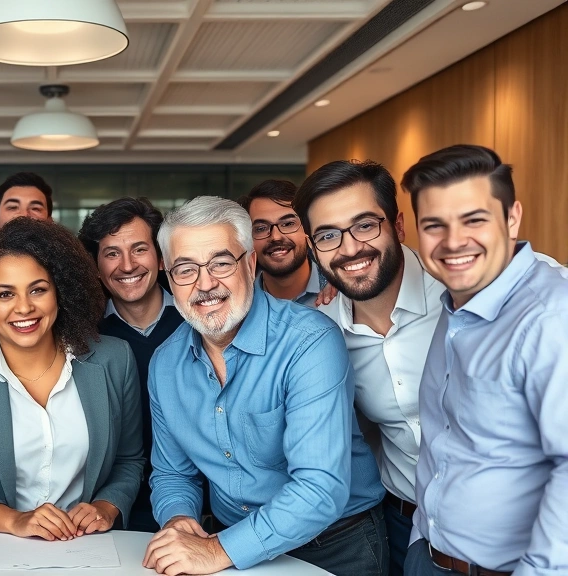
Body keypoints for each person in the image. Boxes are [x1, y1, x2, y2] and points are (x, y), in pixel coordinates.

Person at [143, 196, 387, 576]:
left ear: (250, 263)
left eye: (221, 263)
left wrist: (217, 550)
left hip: (336, 546)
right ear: (170, 278)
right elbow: (174, 473)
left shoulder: (310, 341)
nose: (205, 284)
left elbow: (319, 488)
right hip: (229, 545)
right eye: (186, 269)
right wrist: (179, 521)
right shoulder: (164, 364)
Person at [401, 145, 568, 576]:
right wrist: (422, 540)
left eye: (474, 220)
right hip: (428, 557)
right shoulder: (458, 300)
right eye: (434, 225)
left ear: (512, 218)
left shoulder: (552, 318)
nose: (454, 241)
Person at [0, 218, 144, 540]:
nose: (24, 307)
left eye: (38, 290)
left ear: (60, 293)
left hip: (85, 544)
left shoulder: (114, 359)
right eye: (4, 294)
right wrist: (17, 521)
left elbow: (129, 460)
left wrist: (106, 506)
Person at [291, 160, 442, 575]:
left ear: (398, 225)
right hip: (406, 527)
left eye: (364, 225)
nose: (350, 248)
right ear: (312, 247)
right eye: (328, 235)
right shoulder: (319, 333)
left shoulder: (459, 293)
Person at [78, 197, 184, 532]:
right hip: (113, 507)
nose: (127, 265)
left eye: (139, 249)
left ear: (161, 257)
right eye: (112, 253)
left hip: (201, 503)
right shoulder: (84, 339)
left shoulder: (199, 322)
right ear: (96, 266)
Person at [238, 179, 326, 306]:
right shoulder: (239, 304)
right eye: (261, 228)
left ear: (307, 228)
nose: (276, 237)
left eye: (288, 224)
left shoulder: (340, 292)